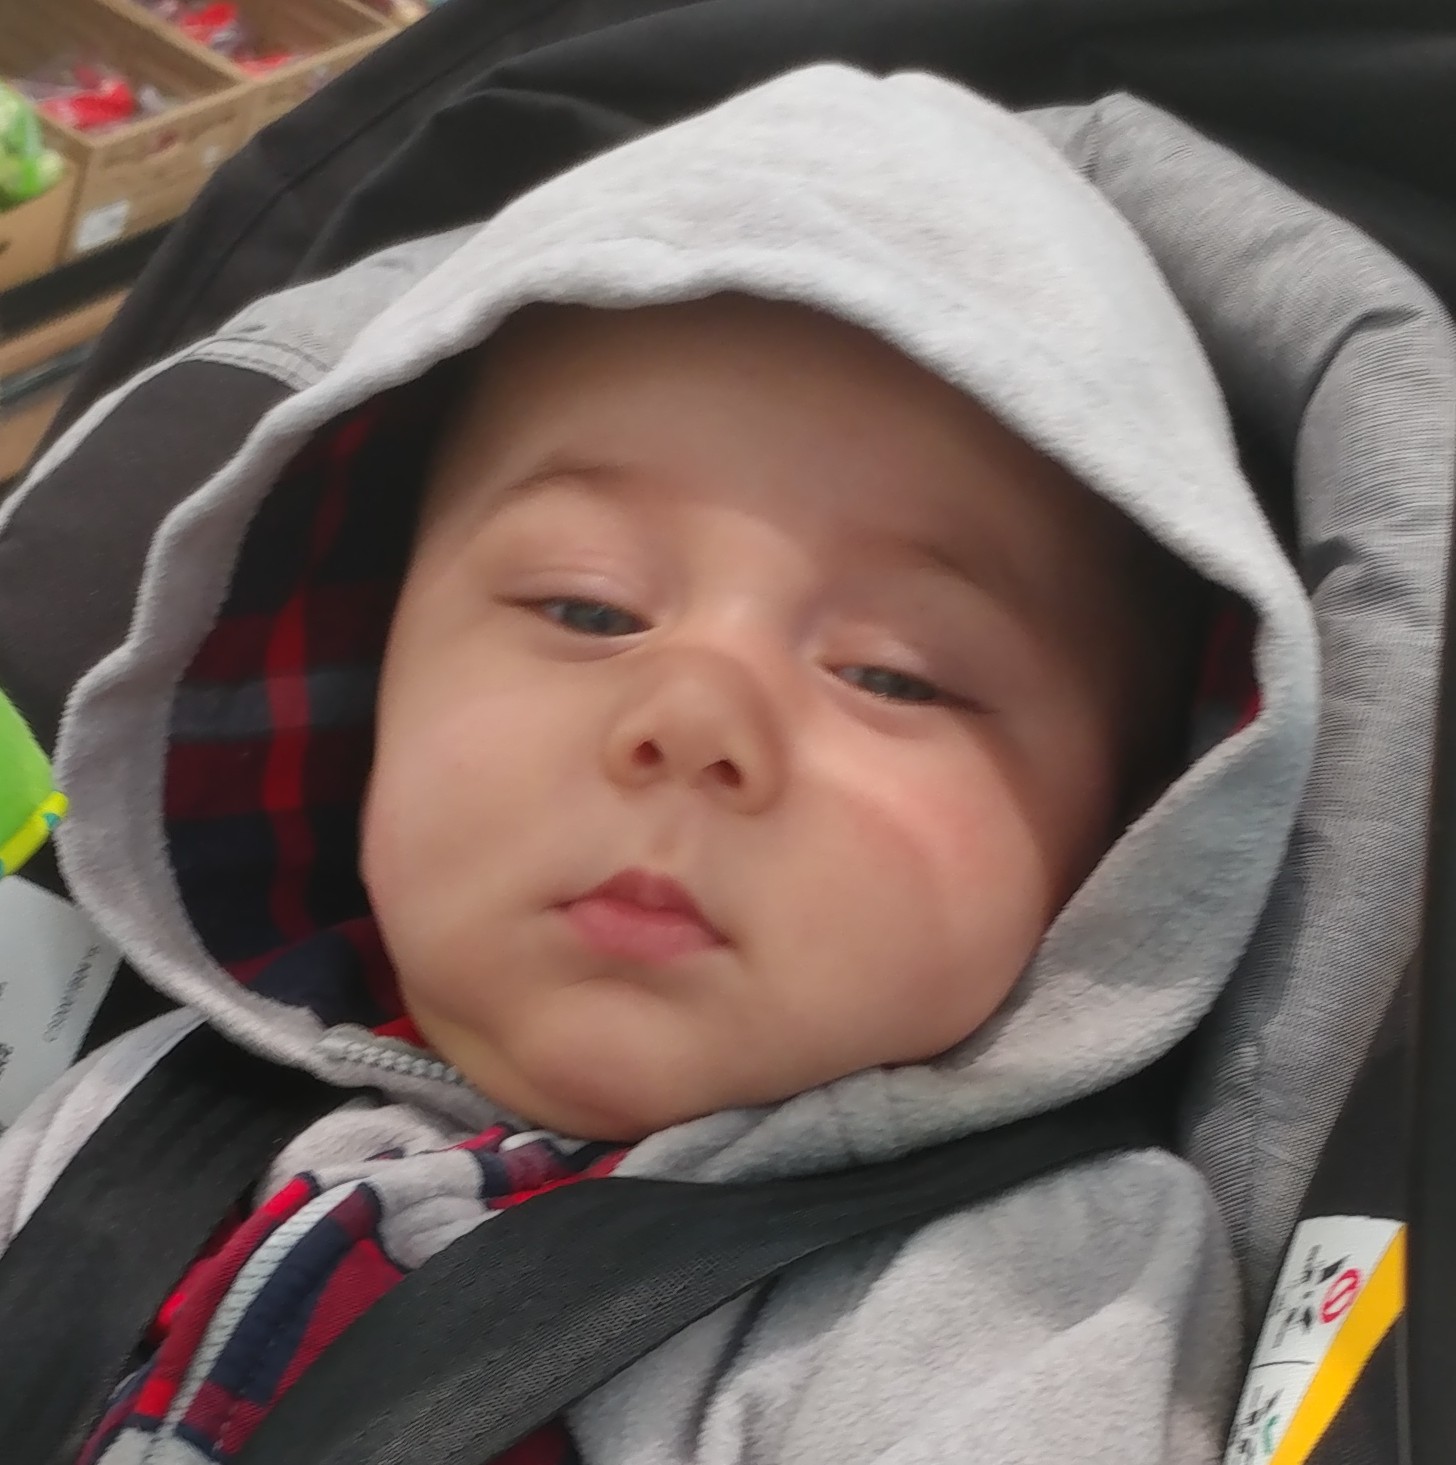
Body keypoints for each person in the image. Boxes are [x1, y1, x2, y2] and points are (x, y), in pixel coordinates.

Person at [0, 65, 1317, 1464]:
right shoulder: (123, 1104)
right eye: (586, 606)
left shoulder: (1024, 1299)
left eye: (893, 673)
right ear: (367, 668)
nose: (691, 717)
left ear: (1129, 826)